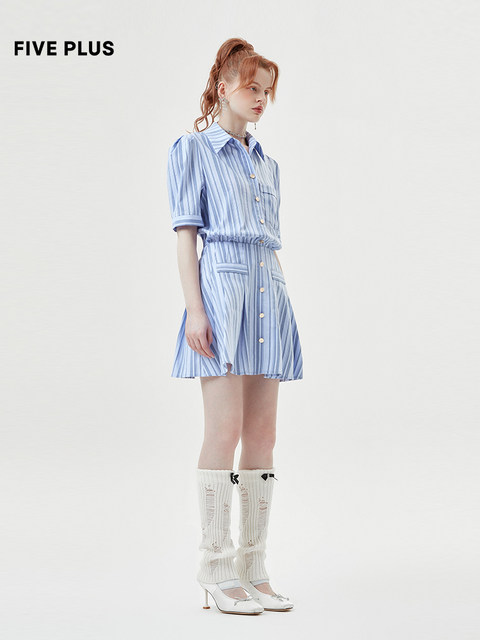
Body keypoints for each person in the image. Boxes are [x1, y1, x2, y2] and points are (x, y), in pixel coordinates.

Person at [167, 38, 303, 615]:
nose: (261, 99)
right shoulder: (192, 150)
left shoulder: (267, 163)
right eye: (252, 88)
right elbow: (186, 236)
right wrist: (195, 309)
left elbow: (269, 242)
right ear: (224, 88)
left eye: (268, 91)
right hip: (222, 297)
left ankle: (253, 565)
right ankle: (216, 567)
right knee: (223, 430)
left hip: (269, 294)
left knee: (263, 435)